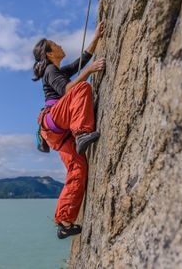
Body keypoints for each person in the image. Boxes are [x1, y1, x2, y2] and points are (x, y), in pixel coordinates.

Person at [32, 21, 106, 239]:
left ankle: (65, 221)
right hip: (56, 123)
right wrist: (90, 71)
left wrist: (96, 37)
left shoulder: (56, 69)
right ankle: (82, 133)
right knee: (82, 87)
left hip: (56, 133)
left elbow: (79, 62)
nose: (60, 45)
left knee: (77, 168)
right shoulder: (50, 69)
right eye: (55, 45)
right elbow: (67, 89)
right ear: (48, 53)